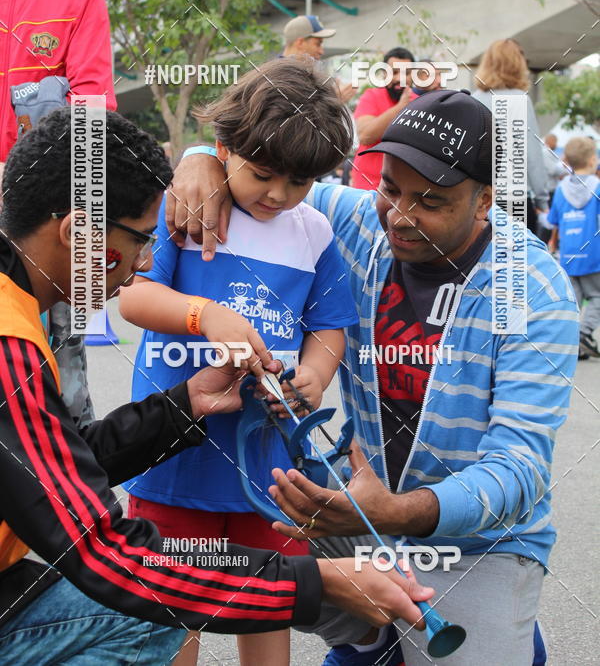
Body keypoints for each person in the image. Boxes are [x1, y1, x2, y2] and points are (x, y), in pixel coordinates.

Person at [0, 106, 434, 665]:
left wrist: (185, 406)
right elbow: (103, 555)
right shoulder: (9, 342)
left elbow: (50, 471)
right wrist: (315, 583)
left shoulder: (18, 312)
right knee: (148, 612)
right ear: (75, 232)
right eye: (139, 239)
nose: (145, 261)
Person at [168, 89, 579, 666]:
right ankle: (368, 639)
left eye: (431, 201)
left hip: (477, 541)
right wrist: (198, 161)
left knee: (464, 648)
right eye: (391, 188)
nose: (402, 215)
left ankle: (493, 628)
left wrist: (394, 511)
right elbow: (267, 163)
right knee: (232, 529)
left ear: (486, 200)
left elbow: (520, 469)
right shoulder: (360, 224)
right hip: (356, 508)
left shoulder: (534, 288)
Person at [119, 59, 359, 666]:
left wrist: (315, 375)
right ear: (223, 148)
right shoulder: (184, 211)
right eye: (263, 174)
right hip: (175, 455)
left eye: (299, 183)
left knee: (269, 600)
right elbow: (135, 296)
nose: (279, 195)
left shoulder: (315, 233)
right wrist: (205, 316)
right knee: (170, 609)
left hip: (268, 464)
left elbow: (330, 326)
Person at [0, 0, 116, 428]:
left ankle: (72, 488)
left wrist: (85, 222)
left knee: (60, 353)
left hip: (46, 206)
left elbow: (94, 115)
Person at [472, 39, 548, 233]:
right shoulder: (521, 100)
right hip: (516, 199)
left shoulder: (473, 100)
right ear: (517, 64)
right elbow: (533, 156)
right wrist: (542, 199)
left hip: (481, 201)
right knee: (519, 261)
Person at [547, 136, 600, 360]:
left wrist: (553, 242)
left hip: (568, 253)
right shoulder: (597, 186)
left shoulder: (560, 189)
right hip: (593, 253)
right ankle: (584, 334)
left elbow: (554, 221)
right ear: (591, 160)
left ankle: (570, 342)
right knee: (597, 296)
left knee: (573, 301)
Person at [351, 47, 416, 191]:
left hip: (405, 192)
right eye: (394, 72)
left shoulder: (421, 103)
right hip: (368, 189)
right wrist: (401, 106)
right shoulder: (371, 96)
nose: (400, 79)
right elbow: (365, 135)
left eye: (406, 73)